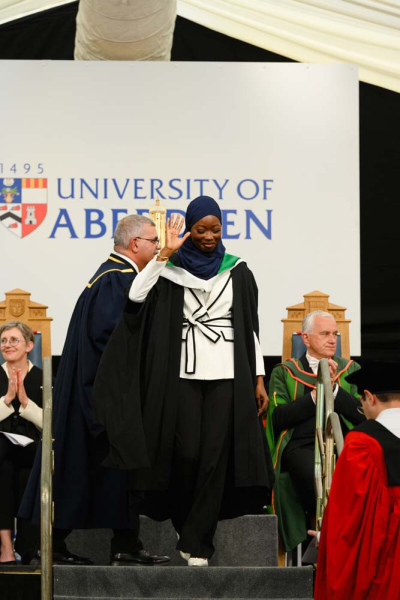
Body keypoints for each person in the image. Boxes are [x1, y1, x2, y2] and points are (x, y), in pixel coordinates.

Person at [94, 195, 274, 567]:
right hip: (182, 375)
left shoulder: (239, 270)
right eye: (201, 230)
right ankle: (184, 523)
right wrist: (164, 255)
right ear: (190, 230)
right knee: (186, 454)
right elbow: (134, 297)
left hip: (227, 374)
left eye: (215, 229)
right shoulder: (171, 267)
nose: (208, 237)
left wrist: (258, 377)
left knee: (214, 459)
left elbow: (249, 329)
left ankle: (198, 542)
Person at [19, 214, 170, 565]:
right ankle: (77, 545)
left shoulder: (110, 275)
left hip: (93, 389)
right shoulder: (117, 279)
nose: (157, 247)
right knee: (98, 465)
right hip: (103, 393)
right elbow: (112, 339)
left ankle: (116, 543)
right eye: (154, 241)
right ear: (135, 243)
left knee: (88, 467)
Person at [266, 310, 365, 553]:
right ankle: (328, 537)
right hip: (300, 445)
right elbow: (278, 418)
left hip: (343, 442)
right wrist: (315, 393)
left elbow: (362, 414)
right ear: (306, 338)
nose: (332, 340)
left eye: (335, 334)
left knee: (354, 474)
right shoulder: (285, 372)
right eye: (325, 334)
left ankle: (334, 538)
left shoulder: (350, 370)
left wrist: (333, 388)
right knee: (315, 475)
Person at [310, 361, 400, 600]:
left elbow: (349, 521)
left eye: (361, 402)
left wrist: (323, 537)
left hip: (388, 565)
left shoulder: (363, 444)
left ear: (369, 397)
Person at [0, 321, 42, 564]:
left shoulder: (44, 378)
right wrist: (7, 399)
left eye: (14, 340)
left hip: (32, 452)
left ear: (29, 345)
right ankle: (6, 548)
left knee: (31, 474)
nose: (7, 345)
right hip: (2, 455)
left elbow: (54, 423)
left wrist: (26, 403)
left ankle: (26, 549)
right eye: (4, 340)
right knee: (4, 471)